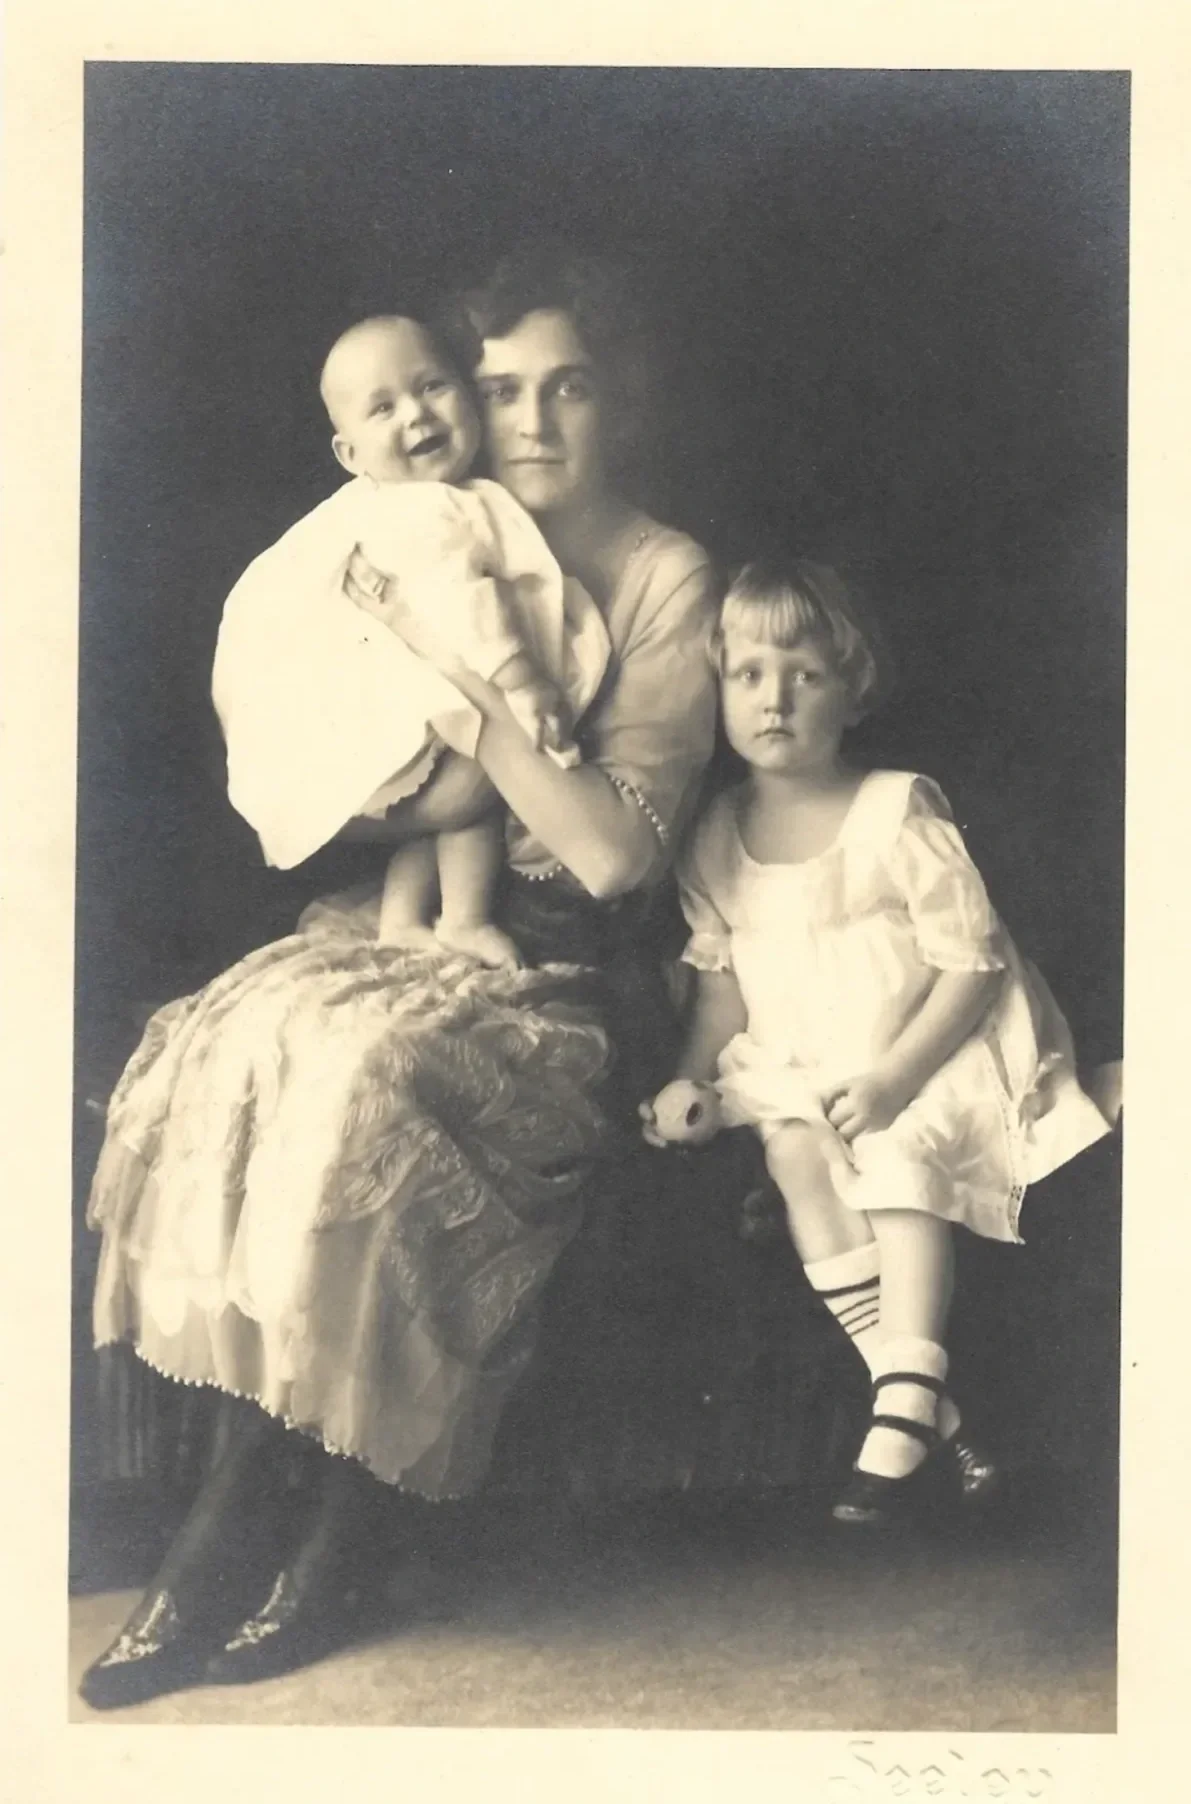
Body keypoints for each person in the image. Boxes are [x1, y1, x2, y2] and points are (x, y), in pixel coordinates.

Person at [78, 244, 719, 1709]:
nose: (533, 420)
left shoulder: (661, 574)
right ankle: (237, 1533)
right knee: (253, 1038)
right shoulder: (424, 529)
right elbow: (354, 785)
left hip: (569, 967)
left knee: (369, 1085)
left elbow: (614, 861)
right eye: (502, 390)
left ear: (614, 400)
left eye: (566, 387)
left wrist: (468, 692)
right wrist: (412, 750)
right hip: (407, 918)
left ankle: (310, 1536)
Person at [640, 556, 1112, 1526]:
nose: (774, 700)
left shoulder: (898, 809)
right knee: (796, 1157)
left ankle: (900, 1415)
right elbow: (723, 991)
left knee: (896, 1156)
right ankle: (924, 1405)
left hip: (924, 1046)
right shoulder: (713, 833)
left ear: (851, 690)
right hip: (800, 1063)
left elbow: (972, 963)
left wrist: (896, 1079)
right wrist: (687, 1079)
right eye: (749, 674)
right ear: (719, 685)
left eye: (803, 675)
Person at [213, 312, 612, 969]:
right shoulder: (422, 511)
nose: (415, 416)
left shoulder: (426, 500)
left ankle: (403, 918)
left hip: (407, 695)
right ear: (349, 454)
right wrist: (521, 678)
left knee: (460, 798)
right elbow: (465, 599)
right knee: (477, 787)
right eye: (383, 409)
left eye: (432, 387)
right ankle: (463, 917)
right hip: (388, 699)